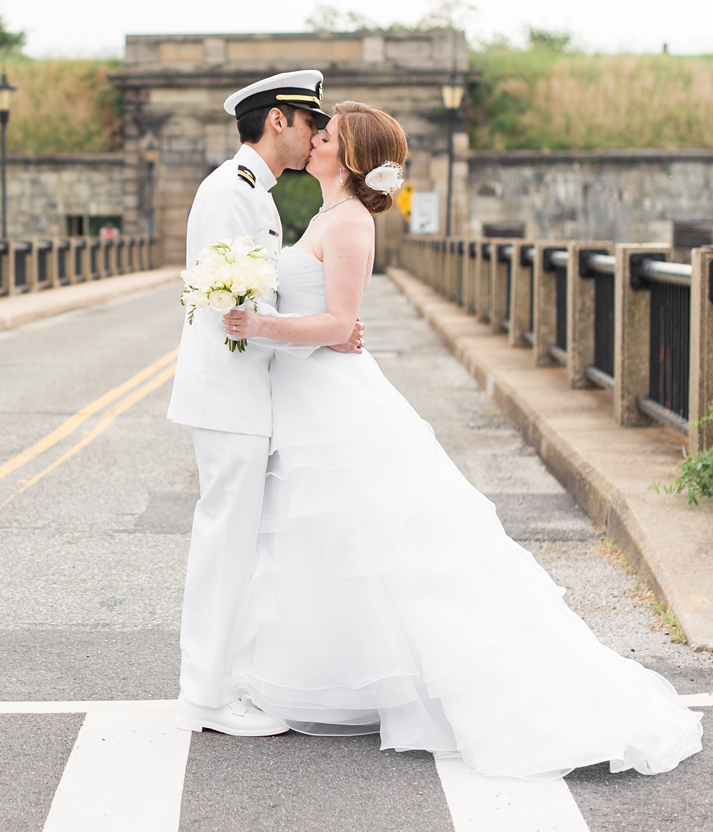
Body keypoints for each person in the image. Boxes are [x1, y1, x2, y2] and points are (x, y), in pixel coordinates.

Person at [219, 101, 703, 778]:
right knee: (336, 543)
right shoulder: (326, 215)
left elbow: (338, 324)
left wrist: (255, 325)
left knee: (393, 546)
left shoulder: (352, 223)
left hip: (337, 401)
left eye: (326, 134)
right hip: (311, 398)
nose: (313, 137)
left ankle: (458, 679)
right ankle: (344, 672)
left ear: (351, 155)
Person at [167, 70, 362, 736]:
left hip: (243, 392)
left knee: (234, 541)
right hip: (231, 392)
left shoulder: (256, 194)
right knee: (224, 542)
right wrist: (324, 337)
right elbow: (236, 309)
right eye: (310, 123)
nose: (315, 137)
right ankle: (204, 696)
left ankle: (218, 684)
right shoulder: (234, 191)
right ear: (278, 119)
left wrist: (323, 327)